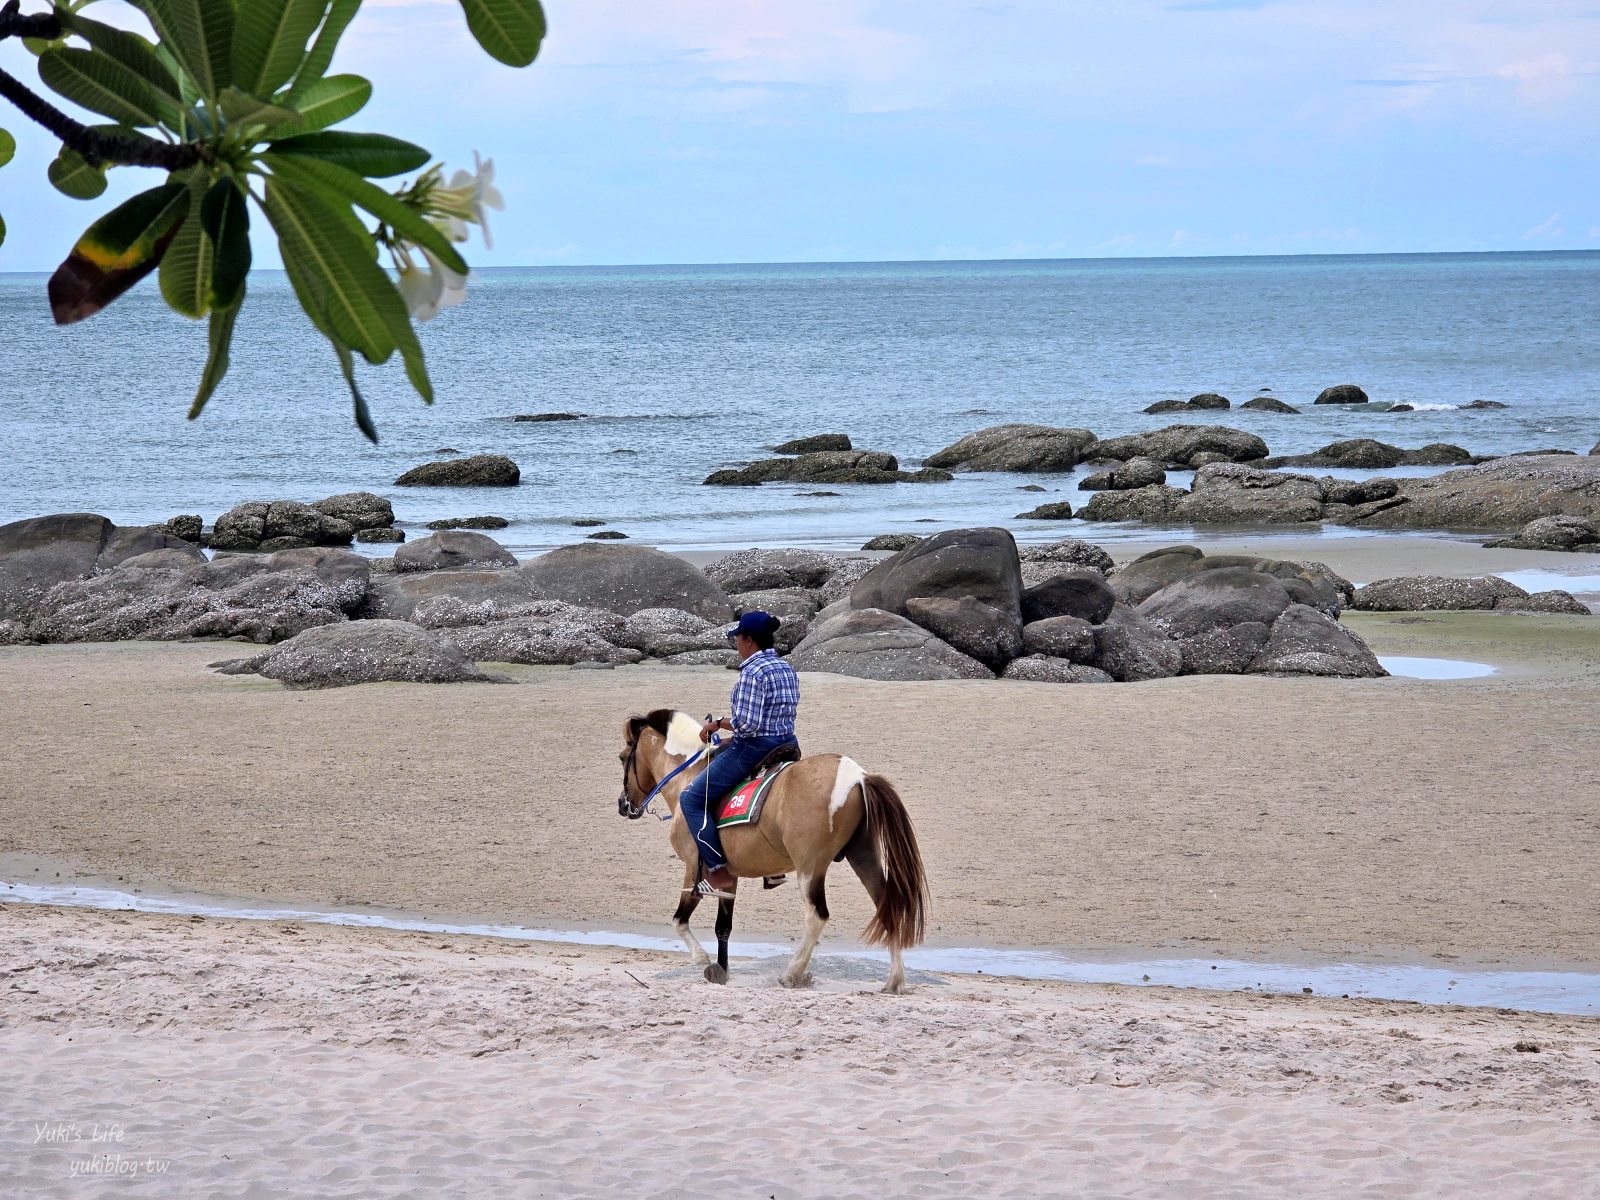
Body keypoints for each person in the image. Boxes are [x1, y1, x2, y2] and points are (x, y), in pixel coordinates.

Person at [678, 610, 800, 899]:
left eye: (738, 639)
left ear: (748, 640)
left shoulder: (752, 672)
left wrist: (718, 723)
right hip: (787, 744)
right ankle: (773, 867)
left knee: (692, 798)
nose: (737, 645)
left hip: (755, 747)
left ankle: (718, 870)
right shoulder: (786, 667)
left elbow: (748, 725)